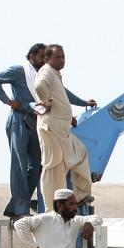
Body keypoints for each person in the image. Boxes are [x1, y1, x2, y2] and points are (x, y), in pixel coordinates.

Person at [0, 43, 87, 220]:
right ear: (32, 56)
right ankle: (20, 208)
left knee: (37, 167)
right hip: (19, 120)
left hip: (37, 121)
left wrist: (83, 103)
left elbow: (62, 95)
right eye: (42, 57)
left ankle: (21, 205)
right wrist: (8, 101)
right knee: (19, 165)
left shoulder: (46, 74)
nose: (44, 61)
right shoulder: (20, 71)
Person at [32, 45, 97, 209]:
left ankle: (80, 196)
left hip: (62, 130)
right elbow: (39, 86)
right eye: (58, 57)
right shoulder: (46, 71)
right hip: (52, 130)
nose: (62, 60)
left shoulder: (55, 75)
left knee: (80, 153)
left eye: (63, 57)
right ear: (48, 59)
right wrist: (46, 102)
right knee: (54, 168)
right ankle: (52, 208)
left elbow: (63, 97)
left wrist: (75, 111)